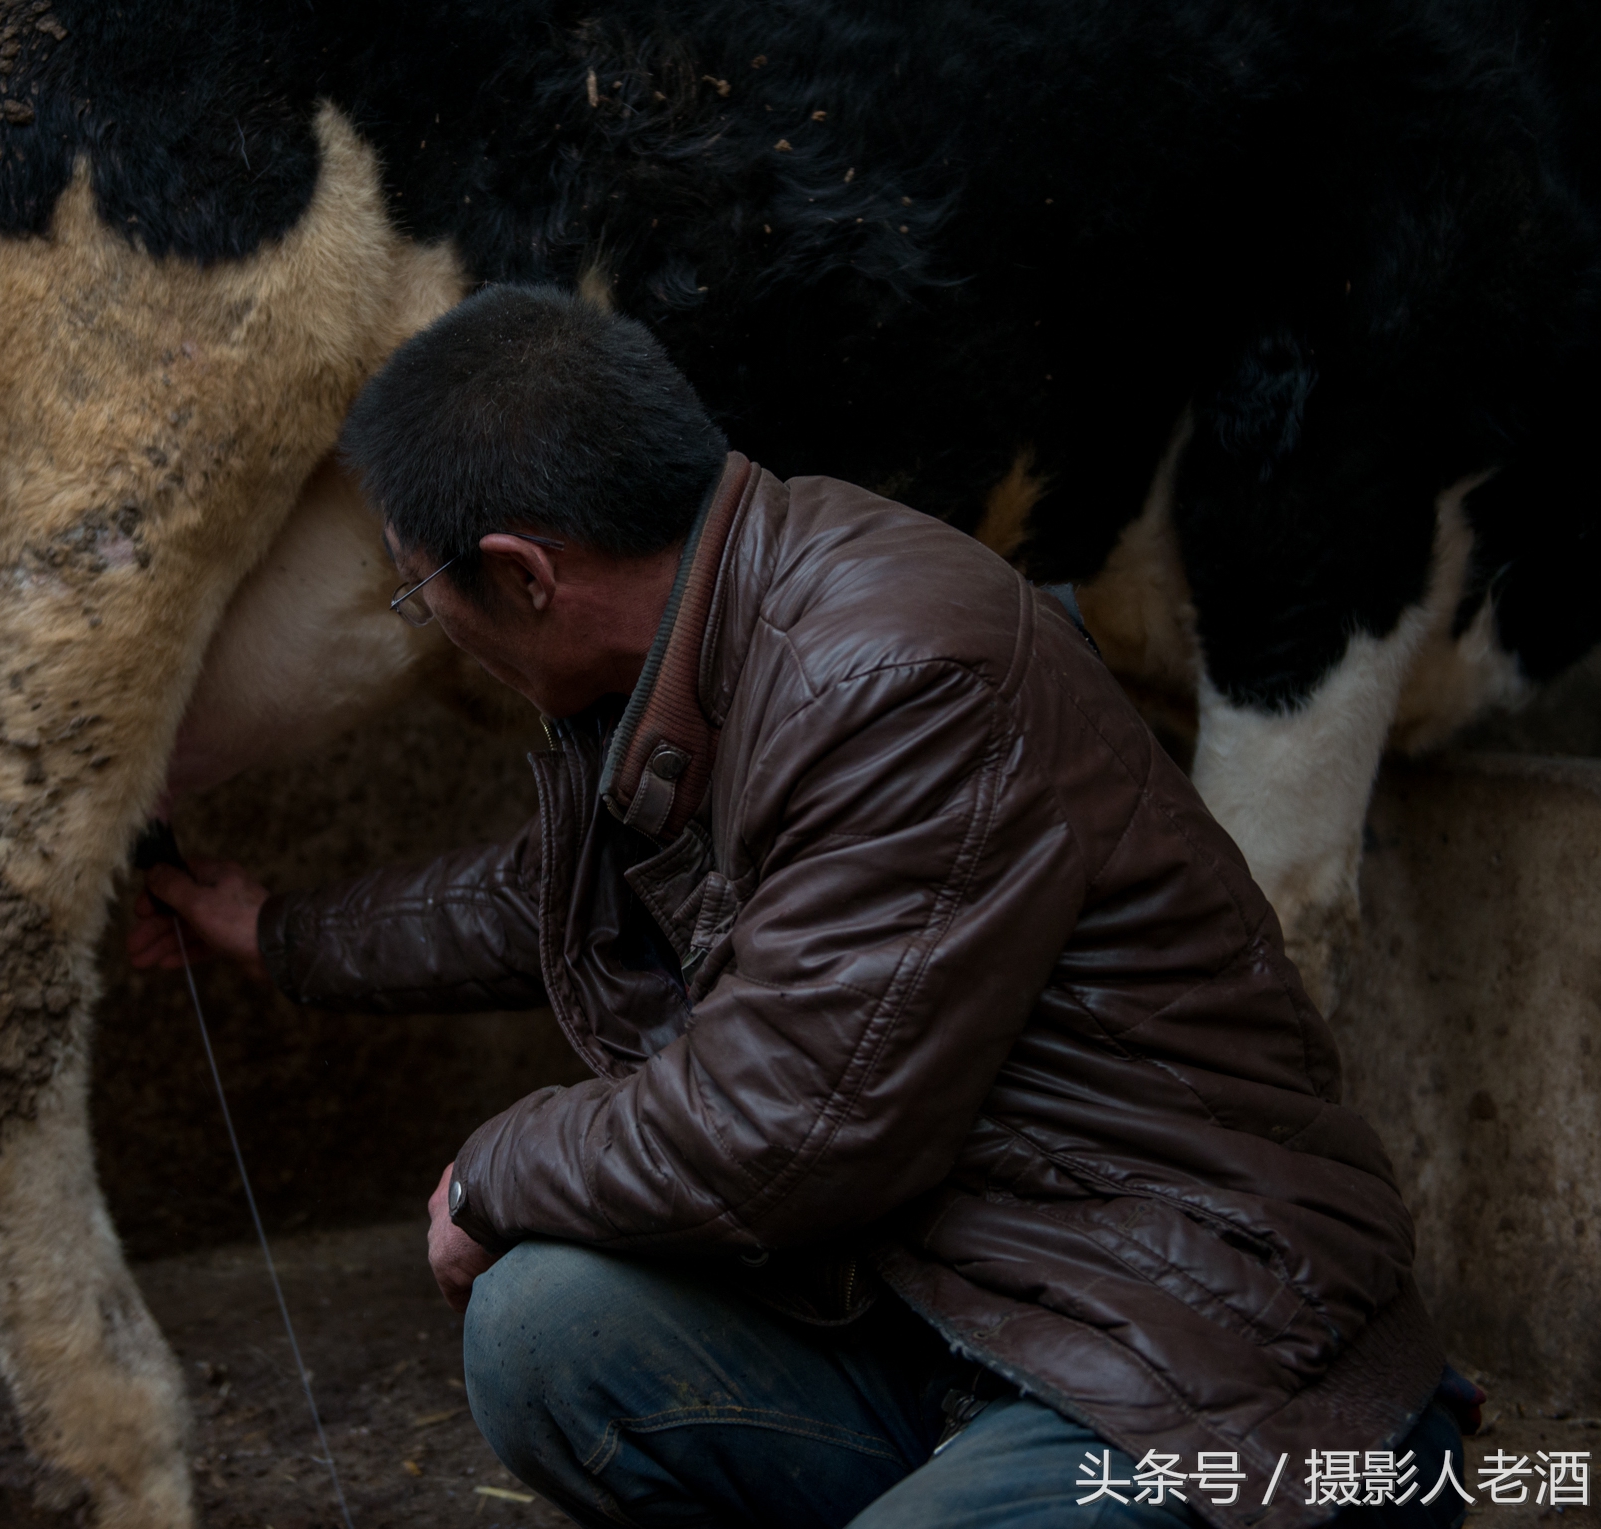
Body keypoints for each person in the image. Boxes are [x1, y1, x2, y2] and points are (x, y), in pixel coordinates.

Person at [128, 285, 1474, 1529]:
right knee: (544, 1323)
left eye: (419, 590)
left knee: (531, 1237)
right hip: (965, 1307)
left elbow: (784, 1124)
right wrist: (273, 930)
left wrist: (495, 1165)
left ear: (525, 573)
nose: (430, 619)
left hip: (1199, 1355)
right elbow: (548, 898)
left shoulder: (885, 674)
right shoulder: (710, 620)